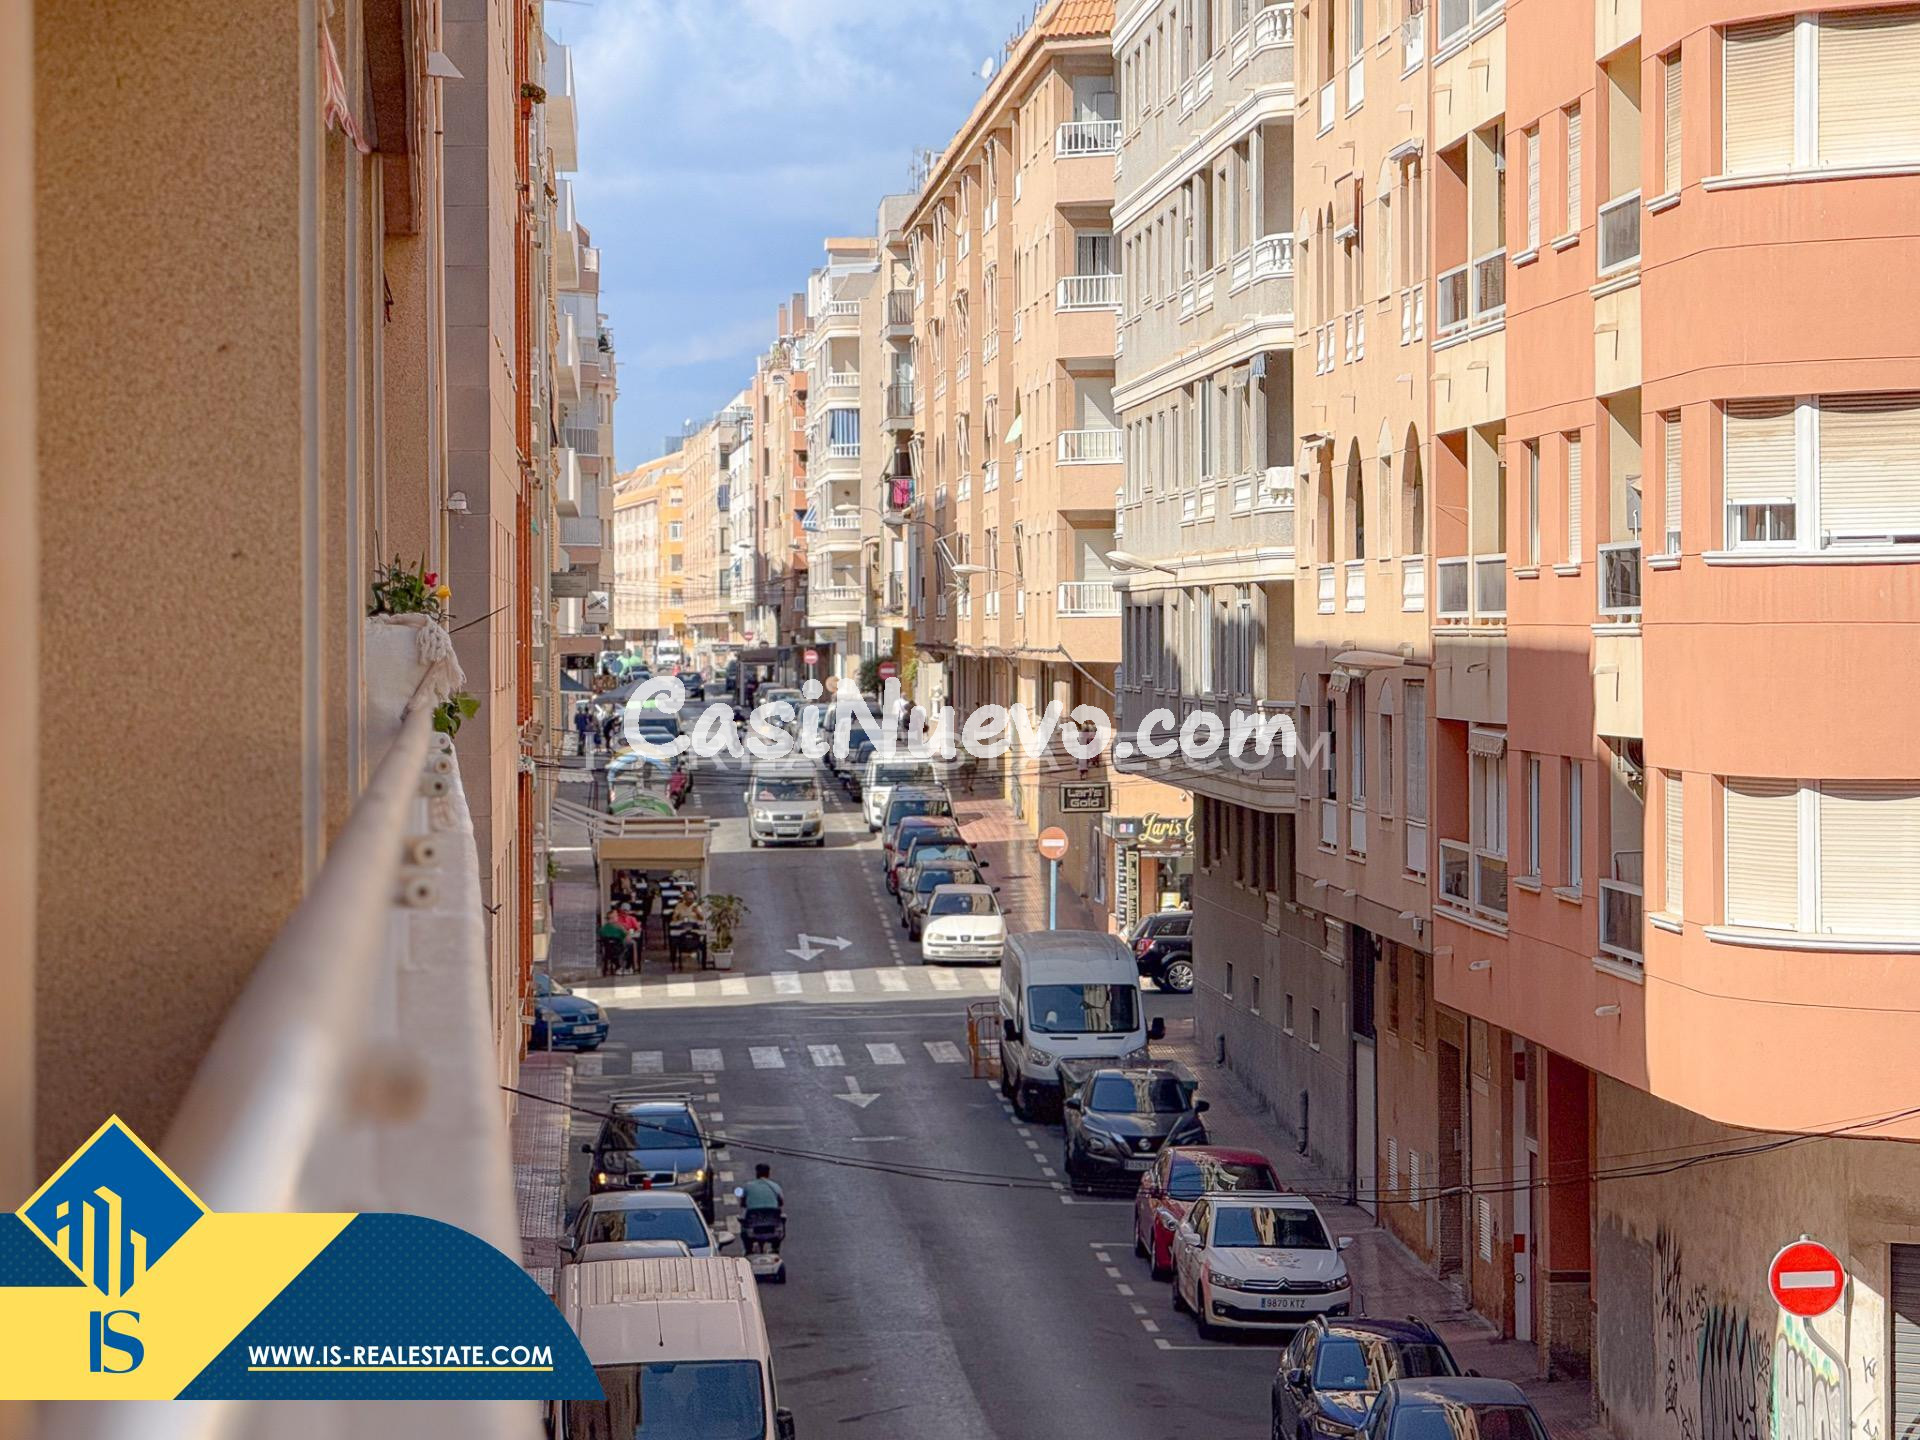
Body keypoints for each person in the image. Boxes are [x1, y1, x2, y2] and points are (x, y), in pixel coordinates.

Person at [738, 1164, 785, 1254]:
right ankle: (775, 1248)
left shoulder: (748, 1186)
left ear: (757, 1173)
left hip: (752, 1226)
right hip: (772, 1226)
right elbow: (781, 1203)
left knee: (744, 1229)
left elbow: (743, 1204)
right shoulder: (775, 1186)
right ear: (768, 1173)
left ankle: (749, 1250)